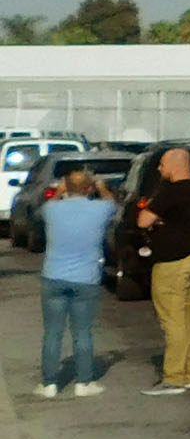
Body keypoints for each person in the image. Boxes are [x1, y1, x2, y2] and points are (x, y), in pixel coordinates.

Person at [37, 168, 113, 399]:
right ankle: (84, 382)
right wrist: (101, 188)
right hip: (85, 278)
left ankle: (49, 383)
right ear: (89, 188)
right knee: (82, 332)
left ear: (66, 188)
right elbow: (113, 203)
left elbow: (46, 204)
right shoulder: (100, 209)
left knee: (52, 332)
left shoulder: (51, 210)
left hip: (54, 276)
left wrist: (60, 190)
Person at [137, 148, 190, 396]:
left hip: (170, 263)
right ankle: (188, 373)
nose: (159, 168)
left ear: (176, 165)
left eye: (162, 164)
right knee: (187, 318)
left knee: (172, 321)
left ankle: (174, 377)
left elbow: (143, 220)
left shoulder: (171, 191)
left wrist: (155, 216)